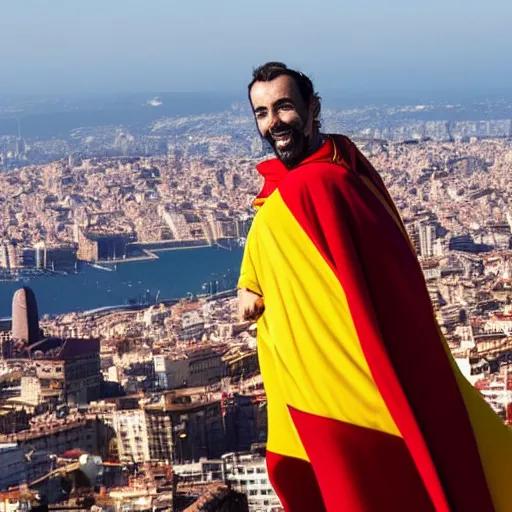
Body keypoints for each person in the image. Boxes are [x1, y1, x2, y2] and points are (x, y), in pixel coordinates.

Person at [237, 62, 512, 511]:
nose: (273, 122)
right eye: (262, 112)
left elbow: (277, 225)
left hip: (339, 390)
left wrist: (250, 280)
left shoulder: (317, 185)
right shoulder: (341, 164)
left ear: (312, 109)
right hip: (343, 383)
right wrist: (252, 278)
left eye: (284, 107)